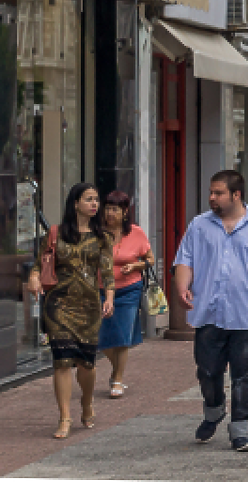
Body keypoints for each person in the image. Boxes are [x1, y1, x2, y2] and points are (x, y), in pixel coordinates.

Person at [172, 170, 248, 452]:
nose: (212, 198)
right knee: (208, 371)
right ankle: (213, 411)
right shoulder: (199, 226)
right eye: (211, 193)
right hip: (209, 314)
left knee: (244, 376)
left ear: (236, 195)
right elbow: (184, 260)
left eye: (218, 193)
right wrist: (182, 288)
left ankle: (241, 431)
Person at [25, 183, 114, 438]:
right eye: (89, 200)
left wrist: (109, 298)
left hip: (89, 307)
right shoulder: (56, 233)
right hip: (58, 304)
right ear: (75, 203)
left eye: (96, 200)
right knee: (62, 361)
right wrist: (33, 278)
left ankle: (86, 402)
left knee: (86, 364)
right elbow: (38, 263)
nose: (94, 204)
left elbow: (107, 273)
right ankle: (64, 417)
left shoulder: (102, 237)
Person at [98, 189, 154, 399]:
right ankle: (116, 369)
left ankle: (118, 378)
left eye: (114, 209)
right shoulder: (97, 232)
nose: (109, 213)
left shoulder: (136, 233)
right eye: (107, 209)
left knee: (122, 336)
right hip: (100, 289)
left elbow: (149, 258)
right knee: (100, 336)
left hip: (129, 289)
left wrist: (136, 266)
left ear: (124, 212)